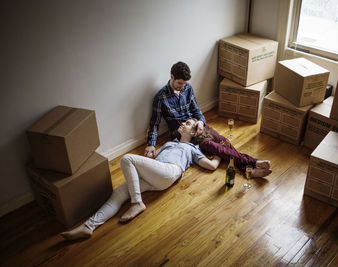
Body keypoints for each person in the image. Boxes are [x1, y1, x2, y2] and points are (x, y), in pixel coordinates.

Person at [61, 119, 221, 240]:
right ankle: (88, 227)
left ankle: (137, 202)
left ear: (193, 133)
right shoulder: (170, 143)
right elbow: (153, 158)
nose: (183, 123)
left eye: (187, 123)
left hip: (169, 172)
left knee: (127, 159)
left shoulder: (192, 149)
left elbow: (212, 165)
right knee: (119, 193)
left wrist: (221, 155)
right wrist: (151, 153)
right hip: (155, 173)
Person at [144, 61, 271, 177]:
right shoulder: (161, 97)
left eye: (184, 83)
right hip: (184, 134)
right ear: (172, 77)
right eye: (179, 83)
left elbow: (196, 110)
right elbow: (154, 124)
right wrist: (151, 144)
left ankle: (248, 169)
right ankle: (254, 163)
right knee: (218, 148)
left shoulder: (187, 88)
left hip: (196, 125)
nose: (182, 87)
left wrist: (200, 122)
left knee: (223, 142)